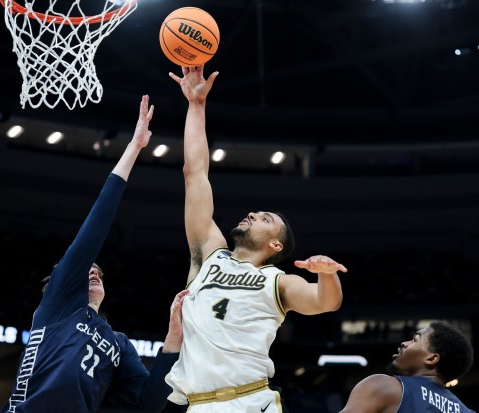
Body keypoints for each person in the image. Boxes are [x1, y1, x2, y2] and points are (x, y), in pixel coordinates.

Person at [164, 65, 348, 412]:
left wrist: (326, 274)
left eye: (265, 219)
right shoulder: (209, 254)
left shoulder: (277, 282)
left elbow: (325, 302)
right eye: (255, 213)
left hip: (249, 400)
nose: (252, 215)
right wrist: (196, 105)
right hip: (197, 404)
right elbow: (195, 172)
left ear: (276, 245)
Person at [0, 95, 188, 413]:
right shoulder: (60, 303)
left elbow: (149, 401)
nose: (94, 272)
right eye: (88, 269)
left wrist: (173, 339)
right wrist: (135, 147)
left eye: (99, 271)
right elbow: (94, 229)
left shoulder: (118, 343)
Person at [340, 320, 475, 412]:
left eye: (415, 340)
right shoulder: (466, 411)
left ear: (431, 358)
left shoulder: (383, 387)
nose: (404, 343)